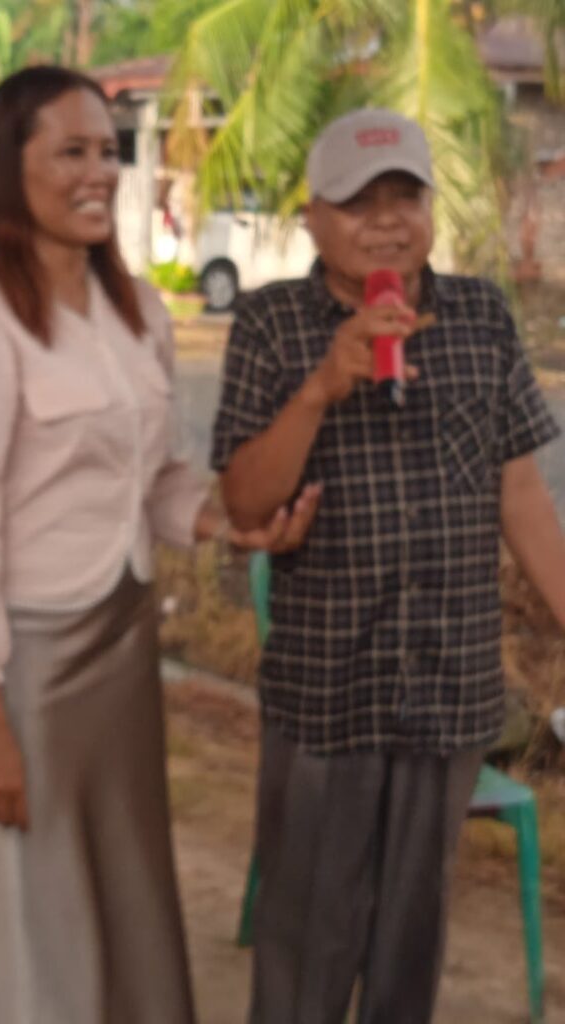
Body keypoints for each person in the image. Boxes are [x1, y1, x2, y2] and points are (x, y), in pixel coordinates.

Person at [0, 65, 319, 1024]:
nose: (99, 172)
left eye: (108, 151)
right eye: (71, 152)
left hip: (122, 641)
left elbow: (154, 483)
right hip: (24, 666)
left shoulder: (135, 313)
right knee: (34, 896)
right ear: (10, 167)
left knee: (126, 878)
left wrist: (228, 522)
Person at [211, 107, 565, 1024]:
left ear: (431, 208)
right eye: (357, 201)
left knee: (411, 941)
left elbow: (521, 495)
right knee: (309, 939)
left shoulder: (482, 316)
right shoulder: (271, 324)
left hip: (449, 688)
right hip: (329, 690)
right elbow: (243, 504)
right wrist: (323, 387)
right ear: (311, 218)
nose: (385, 221)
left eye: (404, 195)